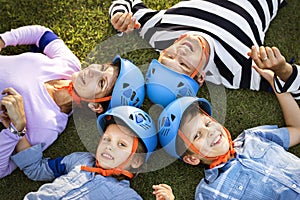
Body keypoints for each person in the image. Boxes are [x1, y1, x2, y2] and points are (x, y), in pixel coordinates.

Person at [0, 25, 145, 178]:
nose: (93, 70)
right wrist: (3, 40)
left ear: (95, 106)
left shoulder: (47, 125)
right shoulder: (69, 64)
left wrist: (16, 130)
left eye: (101, 82)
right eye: (103, 67)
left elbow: (3, 170)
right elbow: (42, 34)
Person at [156, 46, 300, 199]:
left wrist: (274, 81)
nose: (209, 131)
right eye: (197, 135)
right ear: (192, 159)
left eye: (207, 123)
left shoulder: (252, 137)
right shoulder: (208, 192)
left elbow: (297, 129)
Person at [109, 0, 300, 106]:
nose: (180, 52)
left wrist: (119, 15)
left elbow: (129, 2)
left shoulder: (158, 32)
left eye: (168, 57)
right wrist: (283, 70)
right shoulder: (237, 70)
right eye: (184, 65)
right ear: (200, 77)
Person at [10, 105, 173, 199]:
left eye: (121, 144)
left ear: (137, 161)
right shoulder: (79, 160)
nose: (109, 146)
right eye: (107, 139)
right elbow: (36, 169)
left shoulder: (125, 196)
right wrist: (19, 129)